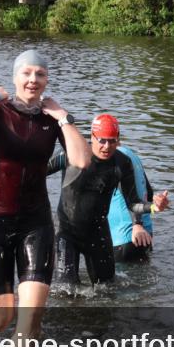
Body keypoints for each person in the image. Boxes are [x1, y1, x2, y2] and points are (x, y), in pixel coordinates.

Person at [0, 49, 89, 347]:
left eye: (40, 75)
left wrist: (63, 117)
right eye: (27, 73)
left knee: (31, 315)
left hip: (36, 222)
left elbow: (82, 160)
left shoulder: (51, 117)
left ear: (47, 79)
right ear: (16, 76)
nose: (33, 80)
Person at [47, 114, 160, 286]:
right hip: (66, 232)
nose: (107, 146)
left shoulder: (122, 162)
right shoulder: (70, 153)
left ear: (118, 139)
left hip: (97, 232)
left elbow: (133, 203)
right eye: (102, 140)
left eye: (112, 141)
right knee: (65, 290)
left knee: (108, 288)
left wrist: (153, 207)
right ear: (92, 137)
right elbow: (36, 172)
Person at [106, 128, 170, 262]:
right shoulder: (132, 155)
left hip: (124, 237)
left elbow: (130, 197)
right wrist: (156, 203)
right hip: (146, 236)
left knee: (114, 282)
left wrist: (137, 224)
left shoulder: (113, 159)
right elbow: (148, 193)